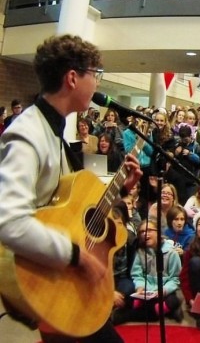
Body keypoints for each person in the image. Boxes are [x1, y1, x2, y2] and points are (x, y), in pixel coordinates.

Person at [0, 35, 142, 343]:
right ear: (73, 78)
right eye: (95, 73)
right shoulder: (27, 134)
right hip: (49, 277)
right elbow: (9, 222)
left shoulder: (53, 130)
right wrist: (76, 255)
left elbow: (67, 206)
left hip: (59, 280)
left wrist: (120, 190)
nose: (97, 83)